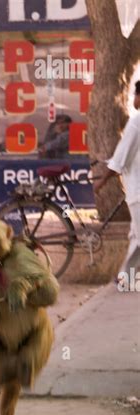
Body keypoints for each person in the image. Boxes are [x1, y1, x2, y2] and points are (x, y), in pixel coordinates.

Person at [93, 81, 140, 275]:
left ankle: (124, 277)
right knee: (136, 236)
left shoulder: (137, 121)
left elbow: (120, 160)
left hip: (137, 191)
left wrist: (102, 181)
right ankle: (125, 278)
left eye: (135, 95)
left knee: (137, 237)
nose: (134, 100)